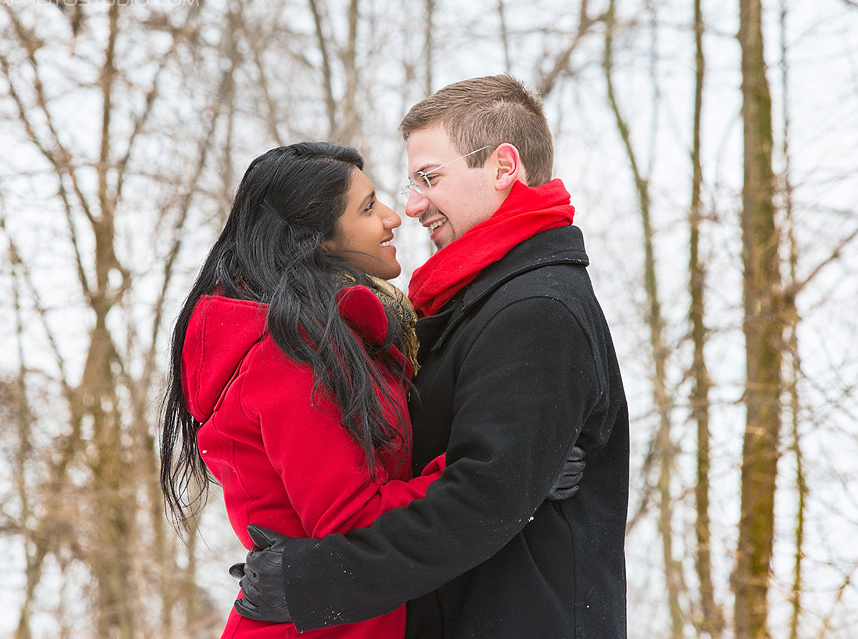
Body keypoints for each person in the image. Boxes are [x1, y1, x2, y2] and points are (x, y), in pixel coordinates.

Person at [234, 75, 630, 639]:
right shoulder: (473, 302)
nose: (413, 205)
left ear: (502, 166)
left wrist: (314, 582)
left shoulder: (537, 310)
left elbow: (478, 501)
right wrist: (523, 473)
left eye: (429, 177)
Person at [159, 141, 585, 639]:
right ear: (317, 240)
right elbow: (352, 521)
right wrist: (504, 478)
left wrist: (517, 466)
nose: (393, 217)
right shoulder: (284, 355)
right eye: (367, 208)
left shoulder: (335, 335)